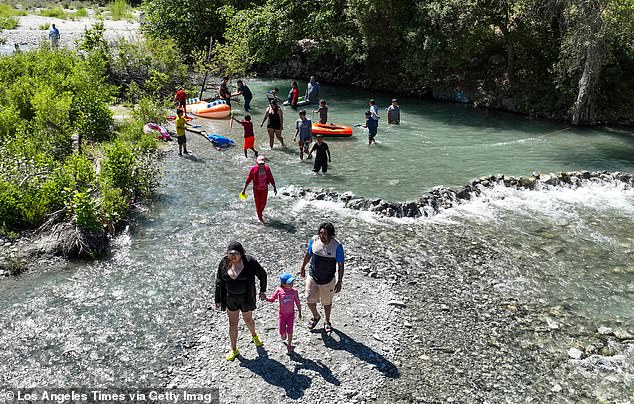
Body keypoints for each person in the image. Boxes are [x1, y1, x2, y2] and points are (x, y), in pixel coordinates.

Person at [215, 241, 268, 361]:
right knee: (233, 324)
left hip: (246, 298)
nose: (233, 256)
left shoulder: (249, 262)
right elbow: (218, 281)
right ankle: (234, 349)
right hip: (230, 299)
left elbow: (262, 274)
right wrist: (217, 299)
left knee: (248, 319)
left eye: (236, 253)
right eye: (230, 253)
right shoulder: (224, 262)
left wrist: (262, 290)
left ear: (241, 253)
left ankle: (254, 335)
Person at [299, 222, 344, 334]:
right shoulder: (314, 240)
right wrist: (303, 267)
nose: (322, 236)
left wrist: (339, 281)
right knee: (309, 299)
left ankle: (327, 321)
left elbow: (341, 265)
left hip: (327, 279)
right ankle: (316, 316)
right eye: (320, 233)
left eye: (325, 234)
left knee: (327, 302)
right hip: (313, 275)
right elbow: (308, 254)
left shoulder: (337, 246)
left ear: (330, 235)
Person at [266, 273, 302, 353]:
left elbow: (297, 302)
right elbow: (272, 299)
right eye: (289, 283)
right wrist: (266, 298)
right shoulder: (279, 290)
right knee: (281, 332)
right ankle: (283, 334)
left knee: (290, 330)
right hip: (282, 315)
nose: (291, 284)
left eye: (292, 282)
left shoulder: (294, 291)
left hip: (291, 315)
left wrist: (299, 311)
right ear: (283, 284)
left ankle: (289, 345)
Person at [242, 156, 277, 222]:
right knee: (258, 204)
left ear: (264, 163)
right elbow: (248, 179)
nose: (261, 165)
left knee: (263, 203)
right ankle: (260, 218)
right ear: (257, 163)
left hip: (265, 189)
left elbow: (271, 178)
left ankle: (260, 212)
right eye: (259, 164)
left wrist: (274, 187)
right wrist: (244, 190)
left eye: (262, 164)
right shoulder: (253, 169)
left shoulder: (267, 169)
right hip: (256, 190)